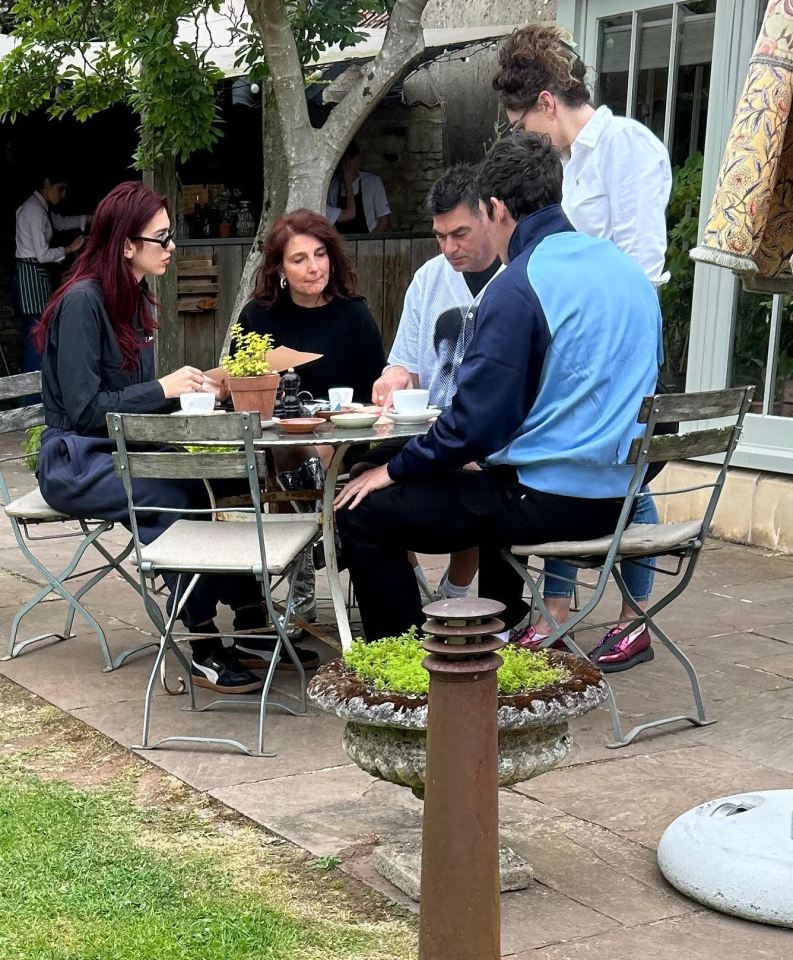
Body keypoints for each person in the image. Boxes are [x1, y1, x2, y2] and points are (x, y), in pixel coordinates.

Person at [333, 132, 662, 645]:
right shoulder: (627, 272)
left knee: (363, 511)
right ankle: (490, 632)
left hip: (550, 501)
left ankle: (403, 670)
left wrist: (391, 470)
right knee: (475, 480)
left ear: (495, 208)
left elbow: (474, 425)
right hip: (622, 496)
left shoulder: (520, 284)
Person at [34, 180, 314, 695]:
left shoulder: (132, 298)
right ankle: (199, 637)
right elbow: (83, 412)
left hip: (122, 447)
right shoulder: (82, 302)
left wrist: (197, 387)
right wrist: (163, 387)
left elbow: (127, 398)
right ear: (126, 246)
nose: (172, 247)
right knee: (174, 495)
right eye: (162, 238)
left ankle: (249, 612)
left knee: (215, 481)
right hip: (72, 459)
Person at [493, 24, 673, 670]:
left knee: (623, 462)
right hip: (573, 339)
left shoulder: (625, 144)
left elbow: (640, 259)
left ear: (545, 101)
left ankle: (636, 619)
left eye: (521, 122)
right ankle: (557, 613)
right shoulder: (561, 165)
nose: (522, 136)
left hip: (623, 335)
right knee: (565, 455)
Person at [231, 208, 386, 627]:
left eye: (320, 254)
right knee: (289, 448)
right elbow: (238, 389)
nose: (313, 267)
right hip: (275, 448)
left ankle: (303, 568)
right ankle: (316, 540)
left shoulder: (354, 315)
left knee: (310, 451)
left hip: (343, 444)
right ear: (280, 268)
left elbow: (377, 394)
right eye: (299, 259)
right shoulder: (256, 318)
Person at [368, 164, 503, 600]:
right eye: (440, 236)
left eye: (459, 234)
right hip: (428, 431)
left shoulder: (516, 278)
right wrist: (394, 377)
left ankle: (459, 586)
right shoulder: (428, 279)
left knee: (475, 466)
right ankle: (409, 589)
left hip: (489, 438)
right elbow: (404, 363)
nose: (448, 247)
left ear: (490, 215)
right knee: (361, 476)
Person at [14, 172, 91, 372]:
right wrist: (71, 248)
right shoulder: (33, 211)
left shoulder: (42, 208)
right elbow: (42, 255)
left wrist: (90, 218)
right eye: (60, 188)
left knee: (40, 334)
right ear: (47, 183)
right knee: (36, 337)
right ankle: (30, 397)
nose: (63, 194)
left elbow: (60, 223)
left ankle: (39, 392)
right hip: (31, 277)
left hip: (36, 276)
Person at [326, 141, 391, 234]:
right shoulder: (333, 186)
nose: (347, 164)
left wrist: (370, 242)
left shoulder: (373, 182)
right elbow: (331, 223)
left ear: (358, 160)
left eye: (351, 159)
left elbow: (383, 220)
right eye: (344, 160)